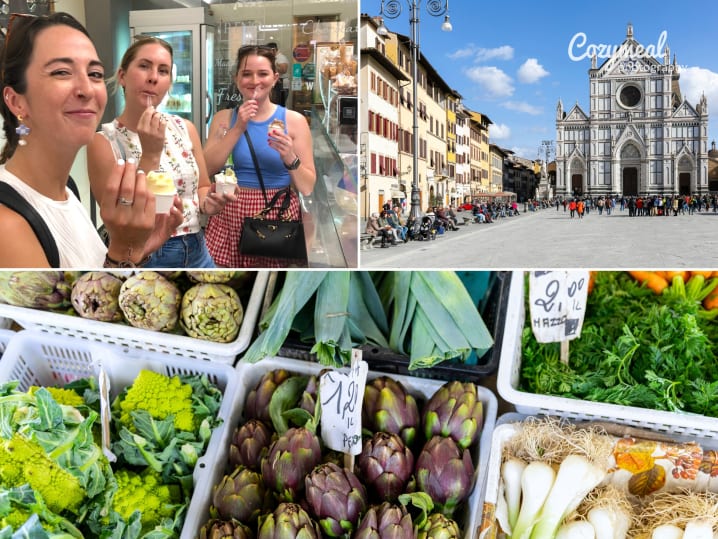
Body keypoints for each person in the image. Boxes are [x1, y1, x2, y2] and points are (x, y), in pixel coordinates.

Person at [0, 12, 156, 268]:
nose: (86, 90)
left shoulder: (67, 189)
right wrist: (121, 251)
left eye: (94, 74)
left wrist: (136, 248)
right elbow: (82, 304)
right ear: (17, 101)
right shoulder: (7, 224)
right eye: (61, 72)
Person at [88, 36, 230, 268]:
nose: (153, 77)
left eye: (163, 71)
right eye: (144, 66)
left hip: (198, 248)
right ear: (122, 76)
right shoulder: (105, 141)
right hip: (147, 254)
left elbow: (202, 187)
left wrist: (210, 203)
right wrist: (150, 155)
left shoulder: (185, 128)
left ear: (169, 83)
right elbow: (118, 219)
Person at [203, 44, 316, 267]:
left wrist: (289, 156)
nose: (255, 81)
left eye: (262, 73)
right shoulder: (223, 119)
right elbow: (206, 169)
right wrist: (238, 128)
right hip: (229, 212)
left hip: (276, 217)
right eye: (247, 74)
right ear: (237, 79)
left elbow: (307, 187)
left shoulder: (294, 121)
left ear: (274, 78)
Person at [266, 42, 289, 107]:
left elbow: (283, 70)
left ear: (274, 50)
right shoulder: (274, 58)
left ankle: (281, 116)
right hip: (277, 82)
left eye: (269, 51)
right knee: (275, 102)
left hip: (281, 82)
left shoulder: (280, 58)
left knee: (280, 102)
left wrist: (273, 64)